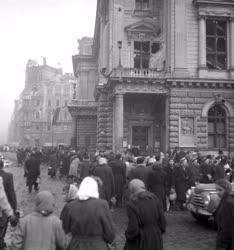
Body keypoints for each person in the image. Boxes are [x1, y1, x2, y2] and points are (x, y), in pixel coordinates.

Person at [60, 176, 115, 250]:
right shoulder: (102, 205)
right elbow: (110, 232)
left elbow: (62, 229)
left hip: (76, 245)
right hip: (98, 246)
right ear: (95, 189)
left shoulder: (70, 206)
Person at [124, 179, 166, 250]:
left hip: (141, 240)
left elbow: (133, 228)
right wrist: (157, 232)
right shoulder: (155, 199)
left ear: (132, 190)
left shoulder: (131, 204)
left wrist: (128, 235)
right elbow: (163, 223)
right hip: (156, 237)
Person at [0, 160, 17, 249]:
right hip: (2, 210)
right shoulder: (8, 176)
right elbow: (10, 194)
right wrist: (13, 209)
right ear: (2, 165)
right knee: (2, 227)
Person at [215, 179, 234, 250]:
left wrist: (222, 245)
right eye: (216, 190)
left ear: (226, 190)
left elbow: (227, 228)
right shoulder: (225, 200)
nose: (217, 192)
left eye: (220, 190)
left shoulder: (228, 203)